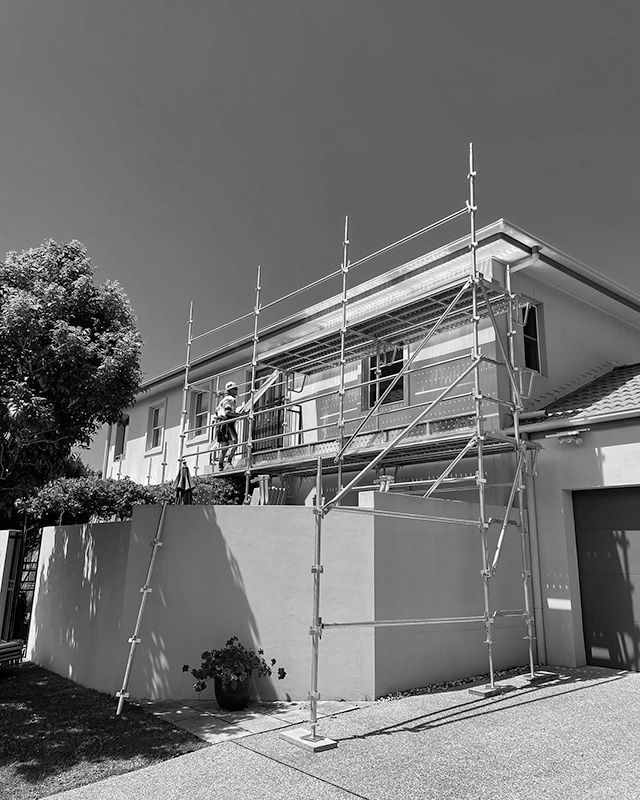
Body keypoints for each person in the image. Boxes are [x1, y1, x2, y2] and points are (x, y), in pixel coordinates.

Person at [216, 381, 240, 470]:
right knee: (234, 443)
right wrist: (239, 415)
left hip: (220, 425)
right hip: (227, 424)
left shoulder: (223, 400)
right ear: (230, 391)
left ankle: (220, 466)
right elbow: (228, 412)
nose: (236, 390)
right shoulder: (230, 399)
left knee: (225, 446)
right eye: (235, 389)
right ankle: (228, 462)